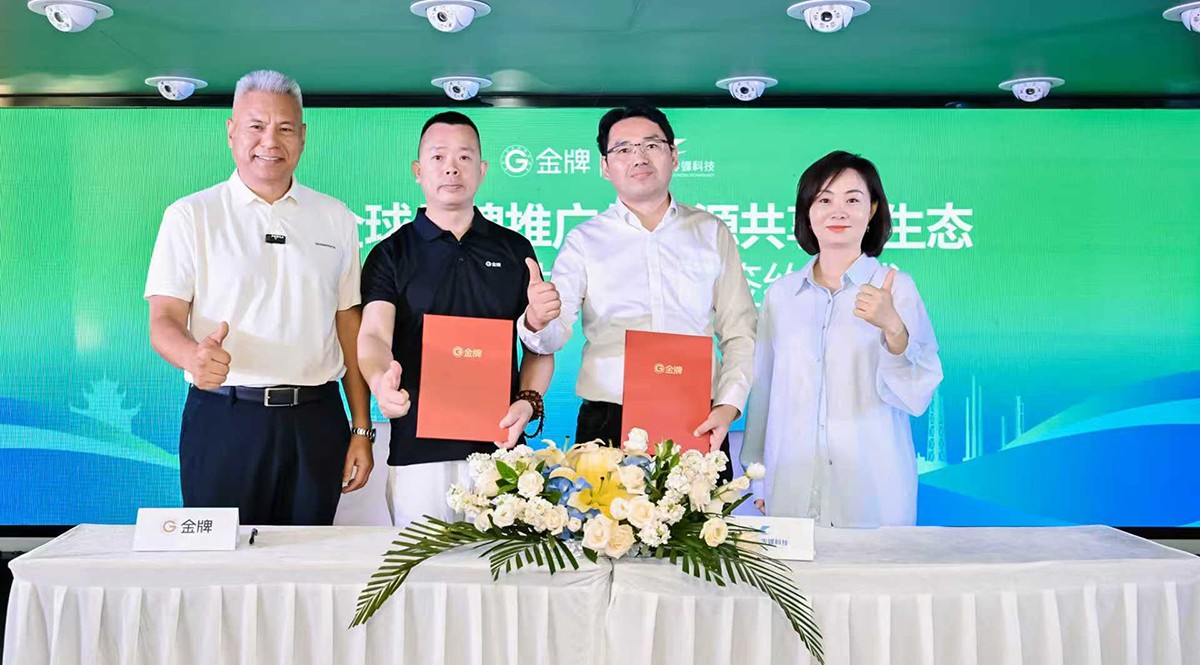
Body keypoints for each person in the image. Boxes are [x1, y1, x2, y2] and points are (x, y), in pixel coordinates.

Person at [145, 70, 374, 526]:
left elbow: (349, 325)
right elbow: (163, 318)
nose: (270, 141)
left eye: (285, 128)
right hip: (225, 418)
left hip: (317, 420)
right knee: (220, 560)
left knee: (305, 559)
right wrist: (192, 356)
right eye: (256, 126)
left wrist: (361, 428)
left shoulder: (336, 218)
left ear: (303, 137)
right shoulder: (191, 214)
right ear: (231, 131)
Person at [518, 106, 756, 474]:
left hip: (696, 417)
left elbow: (740, 330)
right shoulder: (585, 240)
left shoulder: (710, 232)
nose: (639, 157)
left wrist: (729, 404)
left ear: (673, 155)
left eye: (651, 145)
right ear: (604, 166)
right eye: (624, 149)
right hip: (608, 421)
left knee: (702, 513)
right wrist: (536, 320)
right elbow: (552, 337)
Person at [357, 111, 553, 528]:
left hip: (500, 449)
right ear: (418, 170)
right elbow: (373, 334)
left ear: (482, 170)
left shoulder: (515, 249)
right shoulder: (391, 253)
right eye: (438, 157)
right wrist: (378, 381)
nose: (451, 167)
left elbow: (539, 346)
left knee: (501, 566)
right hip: (417, 453)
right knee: (421, 564)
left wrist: (528, 401)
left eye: (465, 157)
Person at [741, 150, 943, 527]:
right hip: (792, 482)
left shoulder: (896, 288)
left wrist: (893, 327)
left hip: (873, 485)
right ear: (807, 212)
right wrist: (758, 475)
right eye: (825, 200)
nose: (838, 212)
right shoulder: (781, 295)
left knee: (875, 567)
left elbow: (918, 392)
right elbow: (764, 389)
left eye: (852, 200)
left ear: (872, 210)